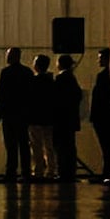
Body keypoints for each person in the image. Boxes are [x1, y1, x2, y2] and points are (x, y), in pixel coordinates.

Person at [0, 47, 32, 182]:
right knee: (24, 144)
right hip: (23, 114)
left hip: (9, 114)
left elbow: (2, 94)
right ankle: (26, 172)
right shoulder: (27, 72)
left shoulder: (6, 72)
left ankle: (11, 172)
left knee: (11, 145)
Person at [52, 54, 83, 182]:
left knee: (61, 146)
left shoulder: (60, 78)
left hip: (61, 119)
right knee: (69, 145)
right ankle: (70, 172)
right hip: (70, 118)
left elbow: (55, 98)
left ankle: (63, 172)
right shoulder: (71, 78)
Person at [27, 54, 55, 180]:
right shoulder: (51, 81)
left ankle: (38, 171)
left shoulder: (32, 81)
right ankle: (51, 171)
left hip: (35, 117)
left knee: (36, 146)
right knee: (49, 146)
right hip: (49, 117)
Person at [91, 47, 110, 183]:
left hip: (103, 117)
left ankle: (108, 172)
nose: (98, 60)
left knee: (107, 147)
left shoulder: (103, 76)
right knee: (109, 147)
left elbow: (100, 99)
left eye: (100, 58)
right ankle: (108, 172)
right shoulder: (109, 76)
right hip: (107, 117)